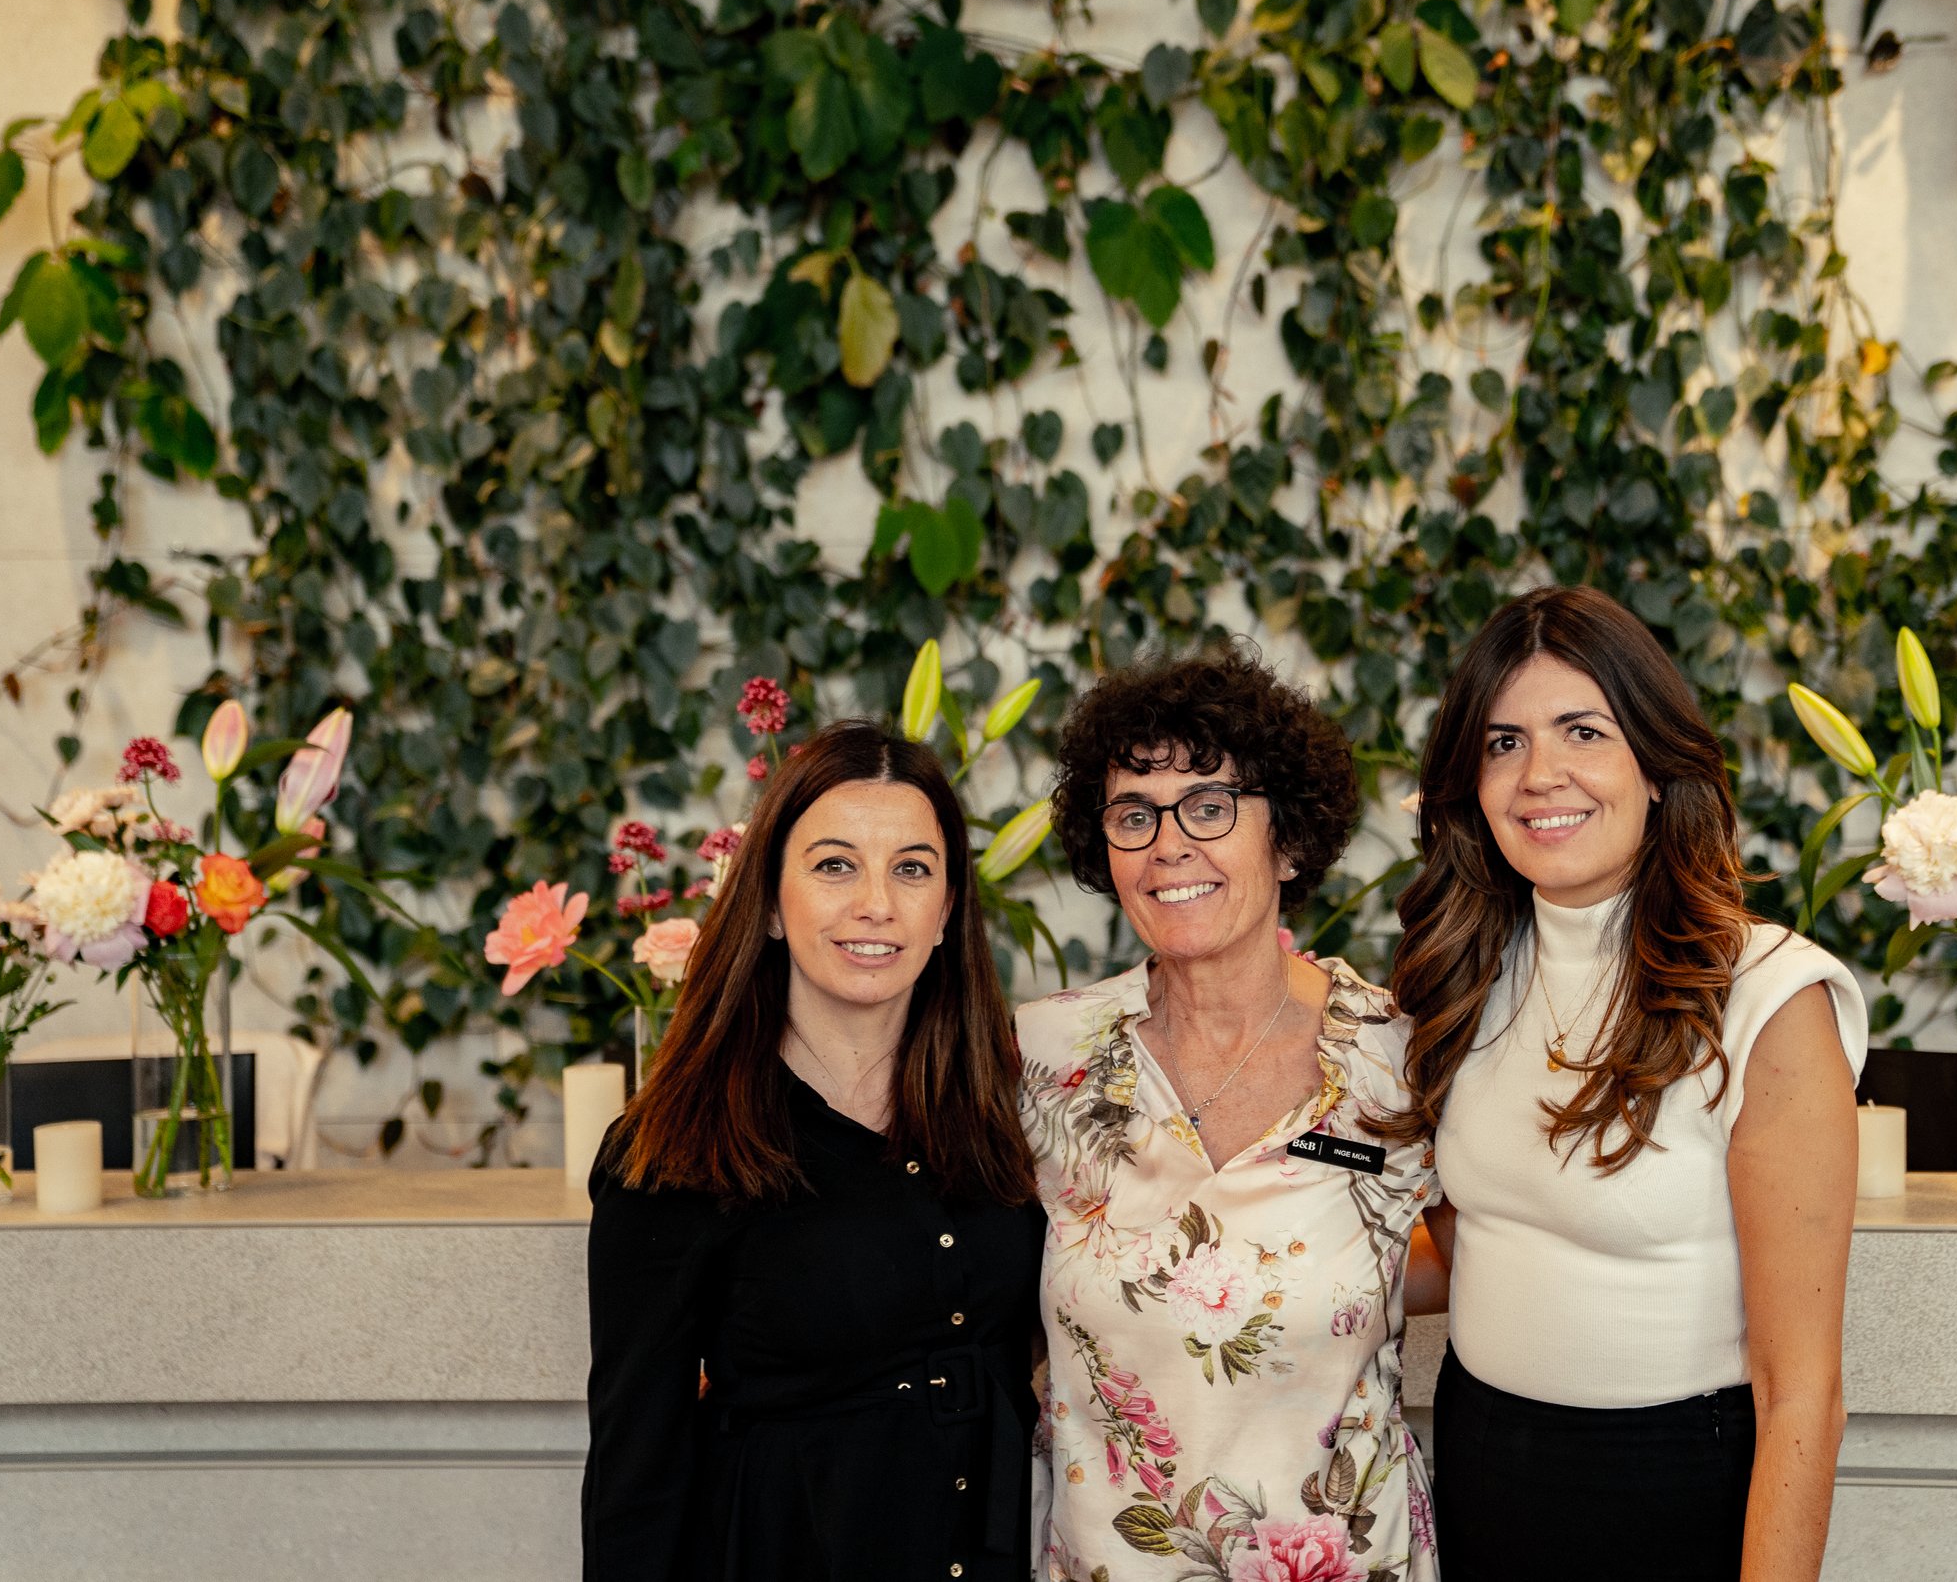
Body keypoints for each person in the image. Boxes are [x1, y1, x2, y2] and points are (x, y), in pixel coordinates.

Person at [1386, 585, 1867, 1581]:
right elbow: (1477, 1241)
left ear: (1655, 764)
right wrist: (1251, 1279)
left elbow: (1801, 1391)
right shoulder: (1460, 974)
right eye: (1502, 742)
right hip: (1478, 1467)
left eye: (1581, 731)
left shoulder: (1769, 995)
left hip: (1672, 1491)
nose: (1539, 775)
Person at [1018, 641, 1444, 1582]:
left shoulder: (1401, 1059)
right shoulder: (1039, 1059)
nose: (1170, 843)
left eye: (1210, 805)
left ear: (1287, 839)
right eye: (1135, 813)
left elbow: (1483, 1255)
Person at [581, 719, 1042, 1582]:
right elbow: (635, 1469)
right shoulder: (676, 1148)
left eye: (912, 867)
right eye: (835, 864)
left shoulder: (1004, 1111)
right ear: (768, 902)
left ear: (946, 911)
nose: (876, 903)